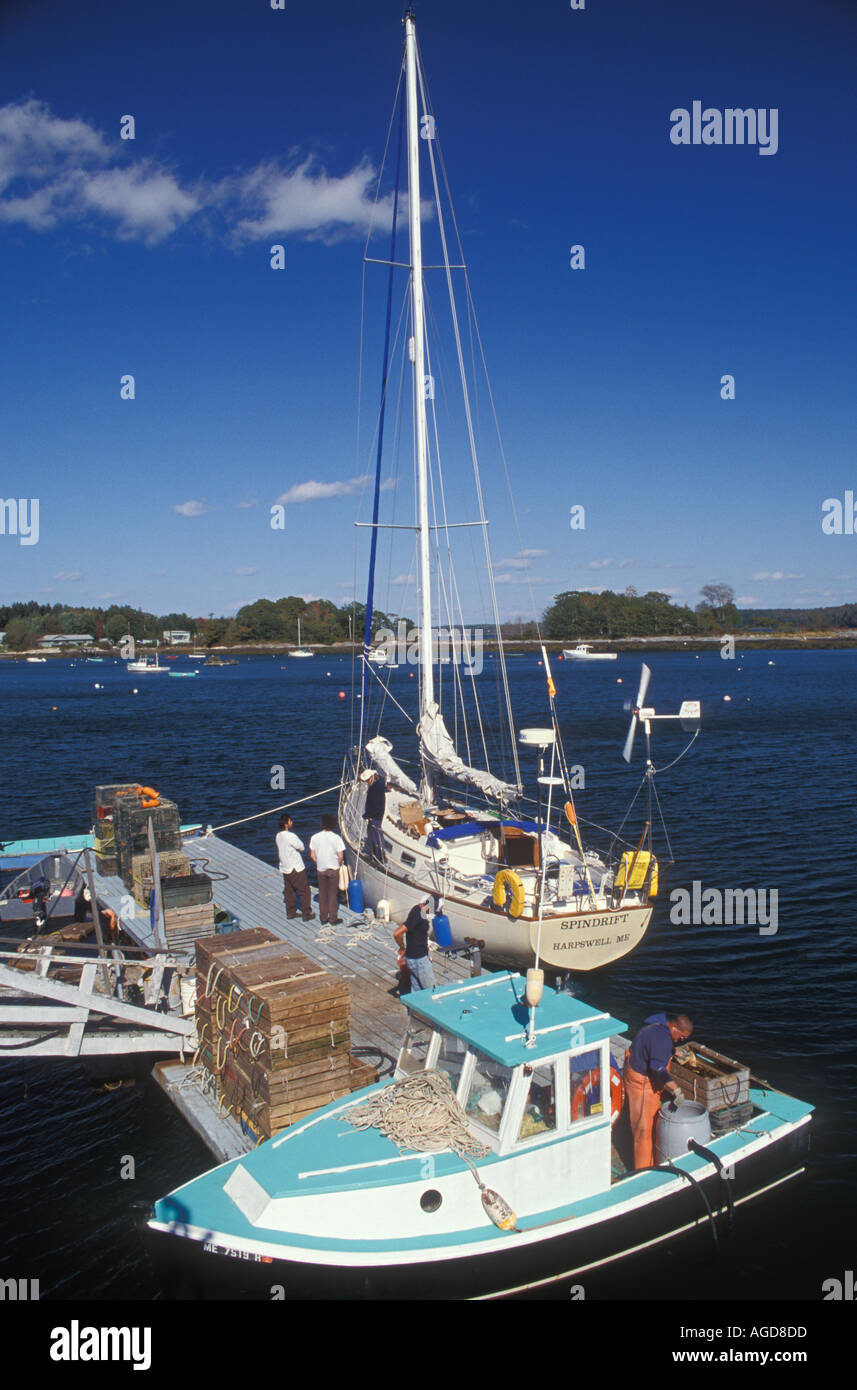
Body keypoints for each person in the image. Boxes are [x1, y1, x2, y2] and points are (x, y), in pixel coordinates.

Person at [623, 1011, 692, 1169]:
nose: (680, 1040)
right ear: (674, 1027)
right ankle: (644, 1171)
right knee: (644, 1131)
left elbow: (651, 1047)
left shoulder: (657, 1025)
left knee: (642, 1123)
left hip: (633, 1066)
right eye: (681, 1037)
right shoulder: (662, 1039)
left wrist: (673, 1052)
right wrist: (676, 1091)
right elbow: (658, 1068)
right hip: (642, 1084)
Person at [309, 813, 346, 926]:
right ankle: (333, 918)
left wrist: (318, 863)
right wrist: (338, 865)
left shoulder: (315, 837)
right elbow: (340, 856)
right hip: (333, 868)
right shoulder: (336, 838)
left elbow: (312, 855)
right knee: (333, 894)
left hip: (321, 869)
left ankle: (323, 917)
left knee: (322, 893)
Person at [393, 896, 436, 992]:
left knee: (416, 992)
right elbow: (397, 933)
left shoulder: (416, 909)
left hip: (412, 959)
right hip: (419, 961)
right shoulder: (418, 916)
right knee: (432, 991)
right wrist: (402, 947)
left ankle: (413, 1007)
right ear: (428, 906)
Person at [275, 814, 313, 921]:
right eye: (290, 821)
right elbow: (301, 847)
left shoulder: (278, 836)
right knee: (304, 890)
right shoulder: (291, 836)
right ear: (286, 824)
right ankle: (306, 913)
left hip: (285, 867)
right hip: (295, 867)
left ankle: (290, 912)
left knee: (289, 890)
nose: (292, 823)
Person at [360, 768, 387, 863]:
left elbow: (376, 805)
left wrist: (368, 815)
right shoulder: (379, 784)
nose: (367, 782)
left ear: (372, 777)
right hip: (376, 815)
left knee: (376, 837)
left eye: (367, 780)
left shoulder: (375, 788)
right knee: (376, 835)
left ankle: (379, 858)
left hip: (375, 816)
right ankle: (378, 855)